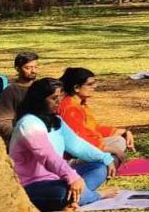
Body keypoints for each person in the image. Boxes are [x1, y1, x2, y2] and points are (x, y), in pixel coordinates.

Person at [9, 77, 118, 211]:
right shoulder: (29, 124)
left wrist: (105, 158)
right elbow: (48, 157)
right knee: (64, 192)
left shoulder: (56, 120)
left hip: (58, 176)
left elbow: (77, 145)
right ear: (39, 100)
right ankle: (91, 196)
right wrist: (73, 178)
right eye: (54, 98)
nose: (58, 102)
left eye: (60, 98)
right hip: (32, 184)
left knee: (99, 168)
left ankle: (76, 197)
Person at [57, 67, 133, 162]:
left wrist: (122, 132)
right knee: (118, 143)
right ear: (76, 88)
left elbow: (94, 128)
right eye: (90, 84)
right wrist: (112, 149)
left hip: (87, 145)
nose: (94, 87)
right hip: (73, 153)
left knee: (119, 140)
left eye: (94, 83)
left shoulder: (80, 104)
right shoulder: (70, 108)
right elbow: (79, 140)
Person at [0, 50, 40, 139]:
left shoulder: (42, 87)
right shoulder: (10, 92)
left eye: (36, 67)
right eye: (28, 68)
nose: (33, 71)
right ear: (17, 69)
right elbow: (4, 122)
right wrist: (19, 137)